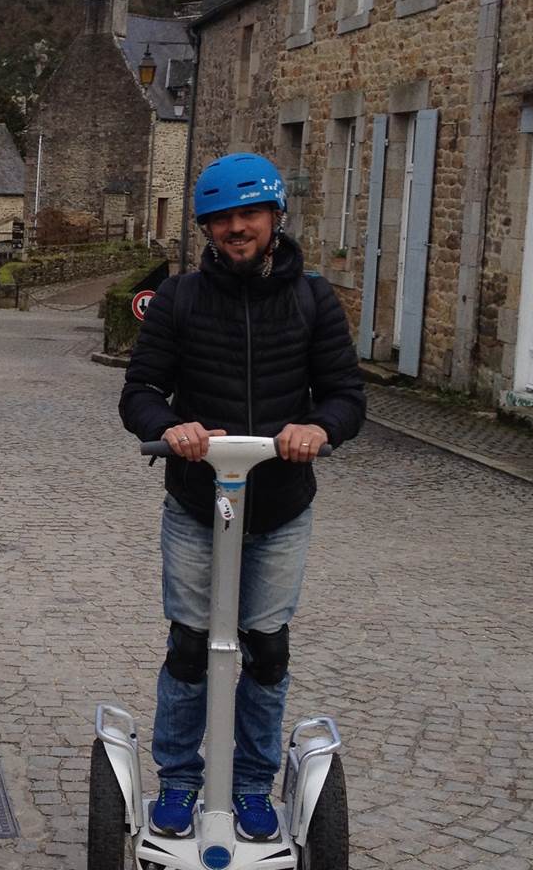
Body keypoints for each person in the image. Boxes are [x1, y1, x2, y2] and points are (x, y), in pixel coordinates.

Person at [120, 152, 366, 842]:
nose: (237, 228)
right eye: (223, 219)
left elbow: (348, 395)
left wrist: (319, 428)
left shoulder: (313, 299)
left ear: (274, 217)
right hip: (200, 502)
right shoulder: (180, 298)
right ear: (207, 228)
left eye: (249, 215)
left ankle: (255, 783)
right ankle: (177, 781)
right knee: (191, 646)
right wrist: (172, 427)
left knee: (265, 647)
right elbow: (139, 391)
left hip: (281, 502)